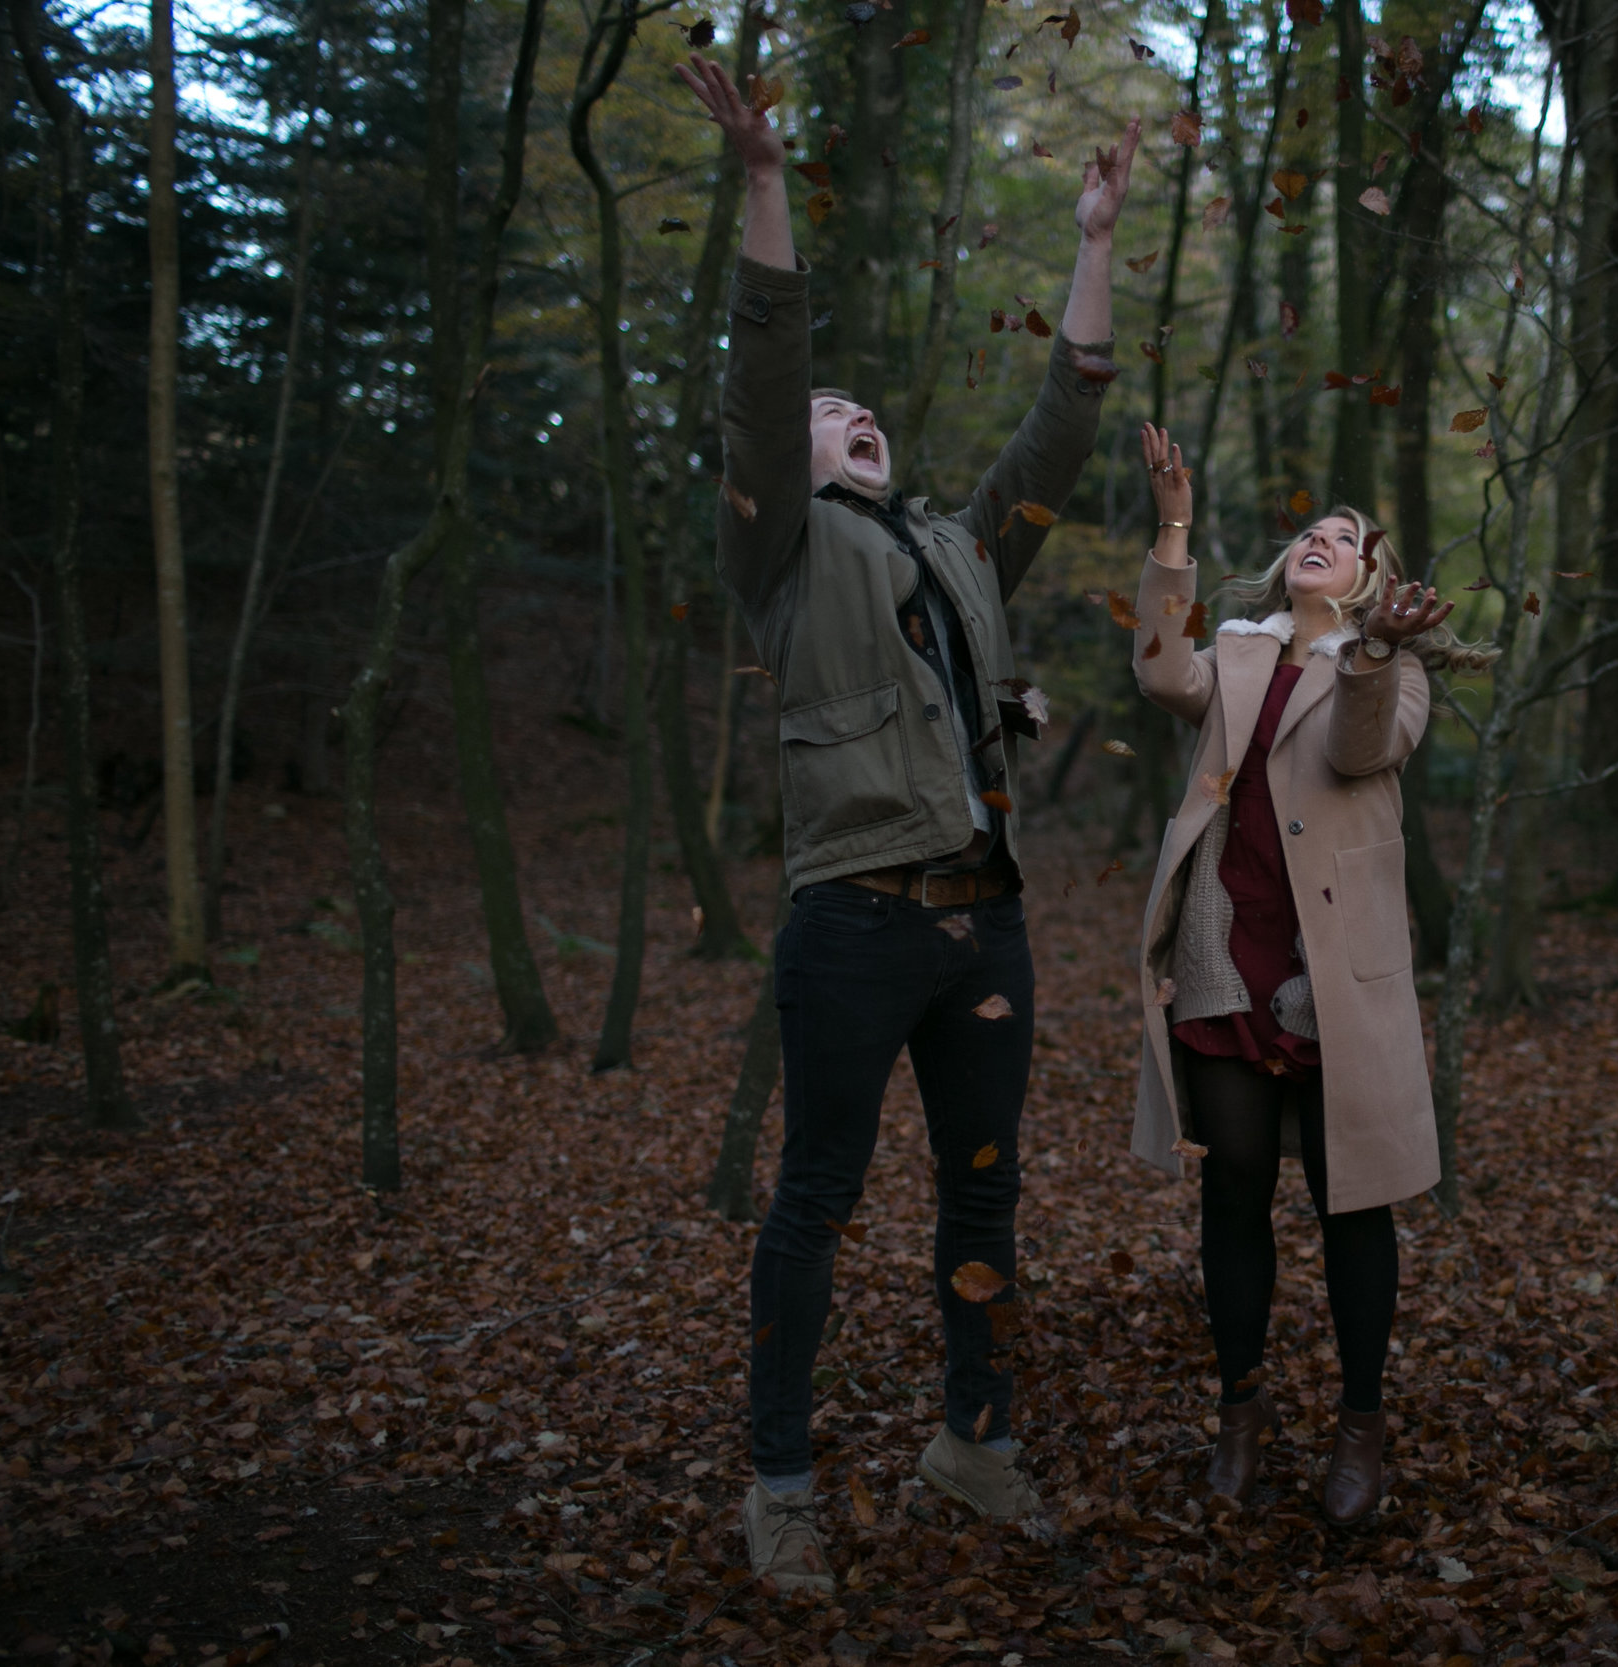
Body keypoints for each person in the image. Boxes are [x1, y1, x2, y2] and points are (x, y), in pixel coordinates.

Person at [675, 52, 1136, 1592]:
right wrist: (759, 181)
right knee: (815, 1198)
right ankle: (782, 1478)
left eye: (861, 405)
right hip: (855, 924)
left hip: (985, 925)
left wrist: (1091, 240)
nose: (848, 407)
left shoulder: (957, 544)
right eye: (828, 408)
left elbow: (1062, 428)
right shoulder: (782, 552)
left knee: (986, 1189)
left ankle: (976, 1442)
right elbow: (762, 368)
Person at [1122, 422, 1494, 1525]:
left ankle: (1359, 1423)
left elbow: (1358, 753)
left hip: (1337, 970)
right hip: (1223, 948)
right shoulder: (1235, 646)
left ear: (1376, 579)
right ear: (1287, 563)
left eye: (1347, 537)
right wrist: (1174, 526)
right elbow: (1156, 669)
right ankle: (1240, 1411)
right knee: (1232, 1185)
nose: (1321, 541)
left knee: (1351, 1204)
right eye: (1311, 533)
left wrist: (1376, 650)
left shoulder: (1397, 669)